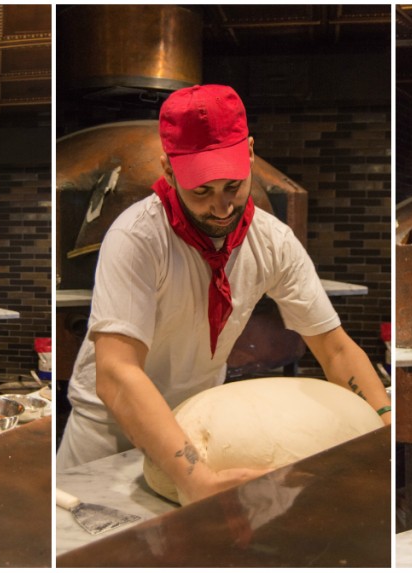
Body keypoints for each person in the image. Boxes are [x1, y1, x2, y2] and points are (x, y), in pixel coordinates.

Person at [57, 84, 391, 504]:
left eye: (233, 186)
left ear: (250, 152)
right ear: (168, 169)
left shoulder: (273, 242)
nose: (221, 208)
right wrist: (191, 478)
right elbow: (117, 375)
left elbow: (334, 349)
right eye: (202, 191)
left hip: (201, 431)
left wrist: (385, 426)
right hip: (110, 438)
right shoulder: (137, 237)